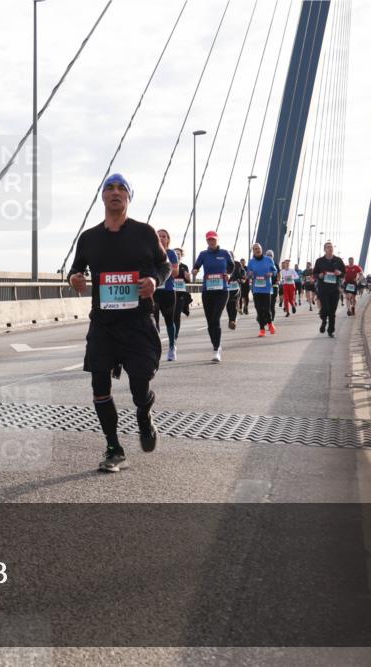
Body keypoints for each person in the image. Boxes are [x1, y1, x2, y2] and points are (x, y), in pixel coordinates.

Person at [69, 173, 171, 473]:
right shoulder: (89, 238)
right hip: (102, 323)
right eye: (110, 188)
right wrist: (74, 278)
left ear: (129, 197)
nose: (115, 192)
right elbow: (76, 270)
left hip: (137, 321)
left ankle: (144, 414)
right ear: (102, 196)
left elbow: (165, 265)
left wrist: (154, 279)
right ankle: (114, 448)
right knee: (99, 385)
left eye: (122, 188)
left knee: (140, 387)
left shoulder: (145, 233)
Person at [191, 231, 234, 362]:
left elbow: (232, 267)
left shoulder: (225, 253)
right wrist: (194, 270)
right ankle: (216, 345)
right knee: (210, 322)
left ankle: (216, 349)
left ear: (217, 240)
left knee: (216, 318)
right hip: (207, 291)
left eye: (213, 239)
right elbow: (196, 266)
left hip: (222, 290)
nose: (211, 241)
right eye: (209, 240)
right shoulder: (203, 254)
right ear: (206, 241)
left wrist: (229, 274)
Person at [153, 230, 180, 361]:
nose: (161, 238)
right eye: (159, 236)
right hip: (153, 291)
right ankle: (155, 347)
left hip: (168, 290)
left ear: (168, 240)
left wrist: (165, 267)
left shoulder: (171, 253)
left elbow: (175, 272)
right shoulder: (150, 251)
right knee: (153, 320)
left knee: (169, 320)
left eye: (164, 236)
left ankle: (171, 346)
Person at [313, 240, 346, 338]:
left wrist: (340, 273)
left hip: (334, 289)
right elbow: (314, 274)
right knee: (325, 308)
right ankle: (324, 320)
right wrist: (319, 275)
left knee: (332, 311)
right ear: (324, 249)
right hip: (323, 289)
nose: (330, 248)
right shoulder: (319, 261)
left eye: (331, 247)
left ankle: (331, 330)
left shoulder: (338, 260)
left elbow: (344, 273)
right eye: (328, 247)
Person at [245, 243, 278, 337]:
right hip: (256, 289)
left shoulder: (268, 259)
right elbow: (248, 275)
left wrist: (271, 274)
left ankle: (270, 324)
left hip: (267, 288)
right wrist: (250, 273)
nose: (257, 250)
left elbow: (275, 271)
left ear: (261, 249)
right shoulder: (251, 262)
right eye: (255, 249)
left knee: (267, 309)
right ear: (253, 251)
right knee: (258, 309)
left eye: (258, 248)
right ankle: (262, 329)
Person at [225, 256, 245, 330]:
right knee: (228, 304)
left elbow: (243, 272)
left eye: (231, 256)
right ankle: (231, 319)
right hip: (226, 287)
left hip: (235, 287)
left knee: (233, 303)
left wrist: (242, 278)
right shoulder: (224, 263)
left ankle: (232, 320)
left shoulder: (237, 264)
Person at [265, 249, 279, 321]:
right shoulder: (263, 264)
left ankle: (271, 320)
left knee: (272, 305)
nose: (269, 257)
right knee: (266, 305)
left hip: (274, 286)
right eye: (268, 255)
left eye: (271, 255)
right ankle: (266, 318)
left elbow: (279, 274)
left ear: (273, 256)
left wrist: (278, 280)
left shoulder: (275, 264)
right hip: (265, 287)